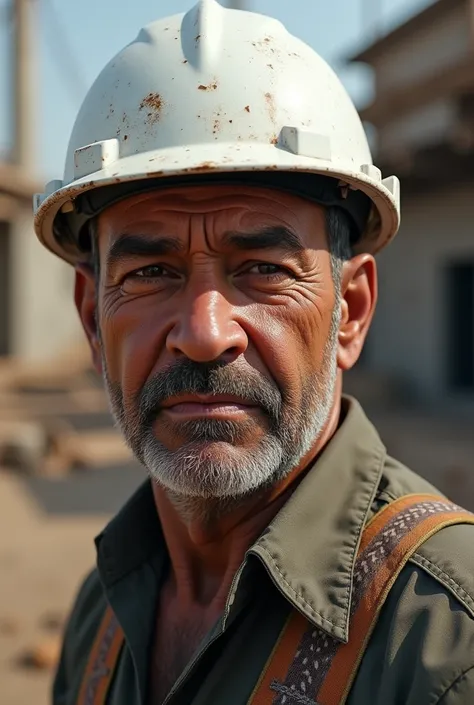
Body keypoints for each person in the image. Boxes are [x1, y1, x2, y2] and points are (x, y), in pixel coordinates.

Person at [34, 1, 474, 704]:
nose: (206, 334)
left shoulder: (445, 651)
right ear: (92, 318)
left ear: (350, 311)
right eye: (151, 273)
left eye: (263, 269)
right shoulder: (102, 615)